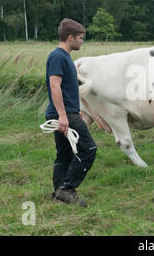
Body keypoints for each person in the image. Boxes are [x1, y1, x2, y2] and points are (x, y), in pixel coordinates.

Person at [45, 18, 97, 207]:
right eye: (80, 38)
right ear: (70, 37)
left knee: (65, 154)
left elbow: (67, 89)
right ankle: (66, 189)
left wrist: (76, 110)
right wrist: (63, 116)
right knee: (89, 149)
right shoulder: (58, 57)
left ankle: (58, 193)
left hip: (68, 112)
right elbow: (54, 85)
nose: (82, 41)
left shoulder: (64, 57)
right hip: (63, 114)